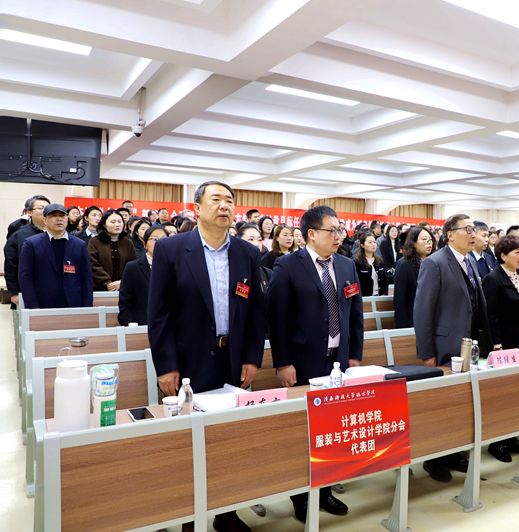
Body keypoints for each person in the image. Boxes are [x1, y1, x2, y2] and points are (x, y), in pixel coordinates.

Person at [149, 182, 266, 532]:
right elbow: (159, 313)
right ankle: (189, 517)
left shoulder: (247, 252)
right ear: (197, 208)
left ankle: (226, 513)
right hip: (188, 361)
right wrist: (166, 366)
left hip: (233, 358)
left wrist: (252, 358)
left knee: (229, 439)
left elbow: (256, 311)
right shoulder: (171, 249)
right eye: (216, 199)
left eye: (230, 200)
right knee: (187, 440)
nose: (224, 206)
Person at [267, 205, 361, 523]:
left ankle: (325, 489)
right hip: (303, 362)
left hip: (338, 361)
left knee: (332, 430)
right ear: (311, 234)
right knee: (304, 432)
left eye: (340, 230)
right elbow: (277, 319)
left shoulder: (346, 265)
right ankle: (301, 497)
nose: (338, 236)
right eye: (332, 230)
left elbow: (355, 314)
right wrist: (283, 362)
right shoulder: (288, 266)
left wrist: (354, 355)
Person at [414, 213, 491, 482]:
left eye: (474, 229)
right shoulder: (435, 263)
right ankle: (435, 459)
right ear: (449, 234)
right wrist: (427, 353)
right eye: (467, 229)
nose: (473, 234)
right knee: (441, 406)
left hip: (469, 346)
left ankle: (455, 452)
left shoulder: (469, 261)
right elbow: (423, 311)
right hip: (444, 347)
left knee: (463, 403)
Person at [482, 235, 519, 463]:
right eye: (516, 252)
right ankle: (498, 441)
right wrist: (496, 345)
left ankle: (513, 435)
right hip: (504, 345)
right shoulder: (493, 279)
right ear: (503, 255)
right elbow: (490, 316)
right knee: (503, 393)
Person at [18, 204, 93, 309]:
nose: (59, 219)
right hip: (42, 304)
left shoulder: (79, 245)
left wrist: (87, 306)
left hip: (74, 304)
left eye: (62, 216)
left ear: (67, 218)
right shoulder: (31, 244)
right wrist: (33, 307)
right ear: (45, 220)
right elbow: (25, 277)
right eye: (53, 216)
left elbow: (87, 277)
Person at [4, 195, 51, 309]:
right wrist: (14, 292)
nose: (46, 211)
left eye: (48, 208)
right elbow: (11, 265)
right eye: (41, 208)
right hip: (27, 291)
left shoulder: (60, 234)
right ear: (29, 212)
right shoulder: (19, 235)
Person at [118, 226, 166, 326]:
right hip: (141, 324)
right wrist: (129, 324)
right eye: (155, 239)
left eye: (164, 239)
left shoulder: (175, 266)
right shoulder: (132, 267)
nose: (159, 242)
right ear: (145, 244)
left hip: (168, 325)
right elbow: (125, 301)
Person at [393, 226, 433, 328]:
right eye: (424, 239)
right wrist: (402, 328)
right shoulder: (404, 264)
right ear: (413, 243)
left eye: (430, 240)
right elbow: (400, 298)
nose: (429, 242)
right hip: (413, 320)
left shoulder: (434, 263)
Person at [88, 210, 137, 291]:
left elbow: (133, 265)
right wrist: (107, 282)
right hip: (99, 288)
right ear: (104, 224)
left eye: (119, 222)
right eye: (113, 222)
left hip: (123, 287)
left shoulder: (128, 243)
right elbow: (93, 264)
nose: (117, 225)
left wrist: (122, 282)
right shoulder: (94, 241)